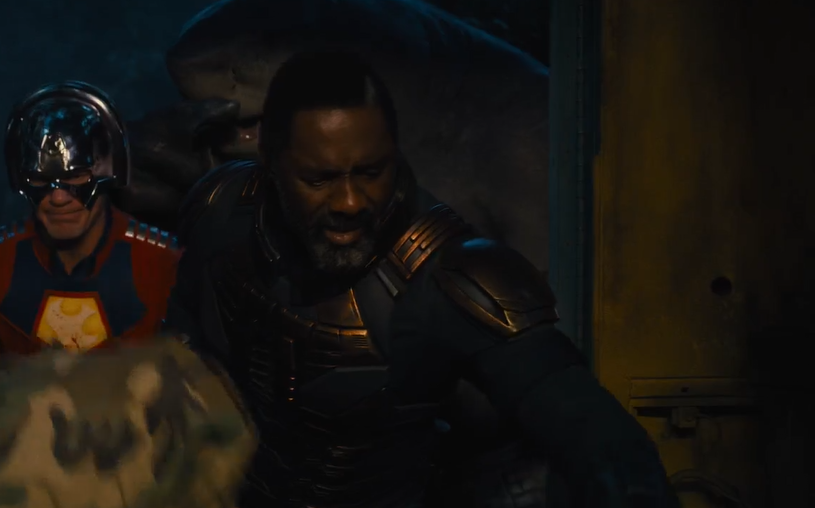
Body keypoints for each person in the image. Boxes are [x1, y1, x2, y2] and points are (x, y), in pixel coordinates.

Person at [165, 50, 678, 508]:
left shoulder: (452, 275)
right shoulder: (219, 209)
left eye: (371, 172)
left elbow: (597, 437)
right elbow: (179, 346)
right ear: (271, 165)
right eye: (319, 179)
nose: (350, 203)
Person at [0, 81, 182, 401]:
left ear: (108, 170)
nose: (58, 198)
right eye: (40, 180)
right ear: (21, 178)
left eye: (75, 177)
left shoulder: (170, 267)